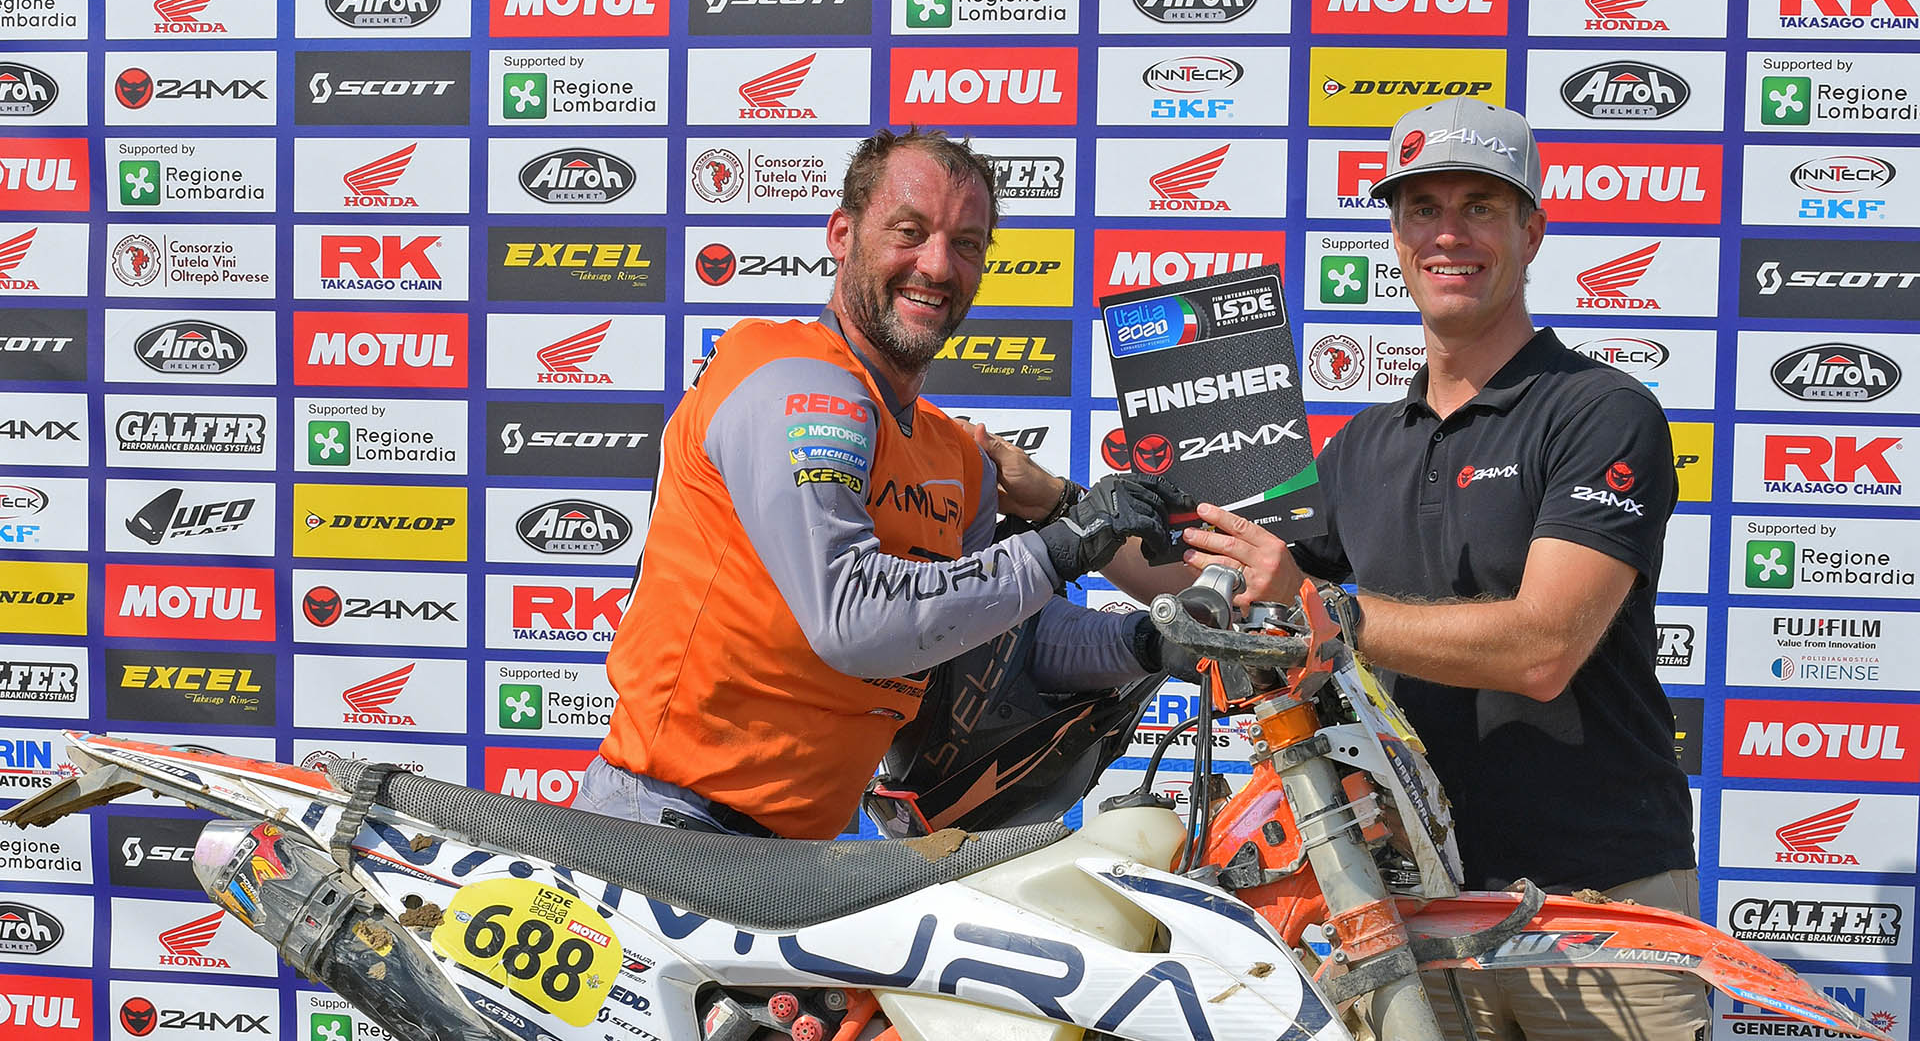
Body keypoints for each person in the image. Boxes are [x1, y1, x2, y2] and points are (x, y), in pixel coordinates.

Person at [1166, 98, 1707, 1039]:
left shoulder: (1599, 410)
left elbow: (1543, 648)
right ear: (1397, 236)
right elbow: (1224, 588)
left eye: (1479, 207)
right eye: (1423, 209)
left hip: (1596, 910)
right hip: (1414, 911)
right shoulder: (1365, 443)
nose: (1448, 234)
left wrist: (1327, 610)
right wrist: (1062, 514)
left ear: (1532, 232)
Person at [575, 127, 1188, 840]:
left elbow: (992, 637)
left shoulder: (955, 454)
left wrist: (1151, 641)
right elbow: (851, 617)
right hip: (666, 824)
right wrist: (1065, 543)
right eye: (909, 232)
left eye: (966, 244)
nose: (937, 265)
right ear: (842, 235)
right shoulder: (789, 375)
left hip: (798, 852)